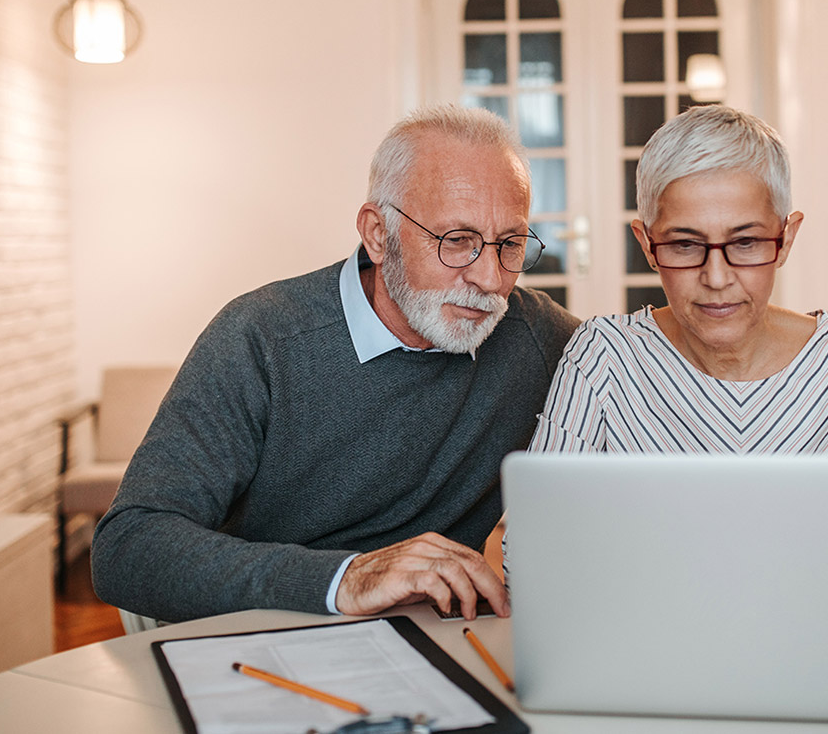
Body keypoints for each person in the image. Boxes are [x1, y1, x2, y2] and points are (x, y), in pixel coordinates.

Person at [92, 104, 579, 623]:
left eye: (510, 244)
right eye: (456, 241)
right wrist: (347, 577)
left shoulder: (535, 335)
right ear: (377, 233)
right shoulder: (262, 338)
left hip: (431, 642)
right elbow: (128, 546)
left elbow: (643, 357)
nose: (488, 277)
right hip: (260, 628)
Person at [517, 105, 828, 605]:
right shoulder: (601, 357)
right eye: (685, 245)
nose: (717, 278)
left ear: (786, 237)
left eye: (746, 242)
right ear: (646, 243)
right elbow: (531, 551)